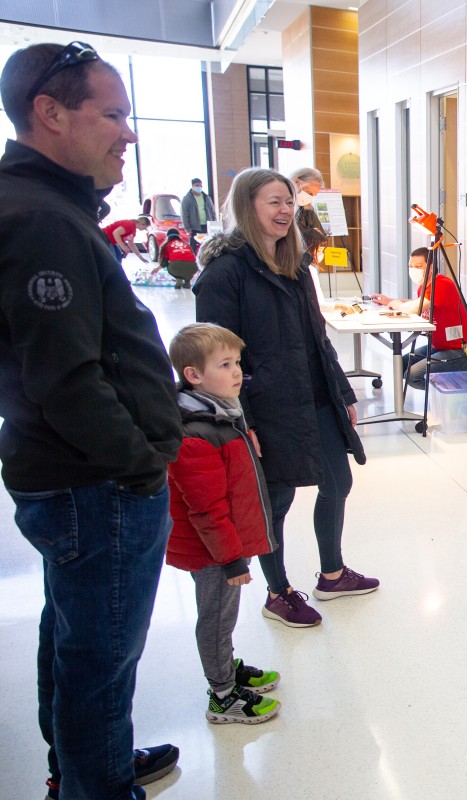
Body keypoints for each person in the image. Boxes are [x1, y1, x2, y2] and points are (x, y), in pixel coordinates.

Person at [0, 41, 184, 799]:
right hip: (98, 485)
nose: (128, 134)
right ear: (49, 113)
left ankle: (83, 765)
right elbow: (67, 380)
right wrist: (140, 465)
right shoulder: (43, 221)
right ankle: (99, 783)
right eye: (112, 114)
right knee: (99, 661)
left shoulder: (43, 207)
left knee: (76, 640)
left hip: (79, 482)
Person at [194, 167, 377, 629]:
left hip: (315, 398)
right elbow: (216, 359)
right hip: (266, 408)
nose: (284, 211)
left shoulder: (295, 264)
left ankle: (332, 573)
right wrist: (242, 420)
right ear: (246, 207)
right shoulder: (224, 273)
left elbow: (318, 338)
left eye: (288, 202)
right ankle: (278, 592)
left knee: (338, 482)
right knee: (274, 503)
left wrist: (340, 390)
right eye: (273, 201)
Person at [166, 323, 281, 724]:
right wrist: (232, 559)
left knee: (223, 616)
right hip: (212, 552)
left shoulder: (221, 415)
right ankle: (222, 696)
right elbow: (206, 509)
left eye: (237, 363)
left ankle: (226, 670)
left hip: (222, 546)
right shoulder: (196, 435)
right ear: (193, 375)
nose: (237, 373)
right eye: (225, 364)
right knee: (216, 619)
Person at [367, 246, 467, 387]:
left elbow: (415, 308)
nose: (414, 270)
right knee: (400, 365)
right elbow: (418, 303)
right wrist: (390, 301)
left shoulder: (441, 284)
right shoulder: (424, 286)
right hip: (439, 346)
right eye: (411, 266)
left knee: (414, 376)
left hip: (460, 351)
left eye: (418, 266)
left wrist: (396, 304)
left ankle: (449, 393)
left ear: (431, 267)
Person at [290, 167, 328, 266]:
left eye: (313, 195)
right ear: (297, 182)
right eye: (309, 193)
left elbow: (321, 238)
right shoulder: (282, 209)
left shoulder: (307, 211)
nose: (310, 197)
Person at [181, 177, 215, 253]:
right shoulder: (187, 199)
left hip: (207, 226)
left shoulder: (206, 197)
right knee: (195, 248)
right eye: (197, 185)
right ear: (192, 186)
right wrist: (188, 229)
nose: (199, 187)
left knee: (207, 246)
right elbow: (184, 215)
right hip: (194, 228)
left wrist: (213, 223)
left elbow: (212, 211)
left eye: (200, 185)